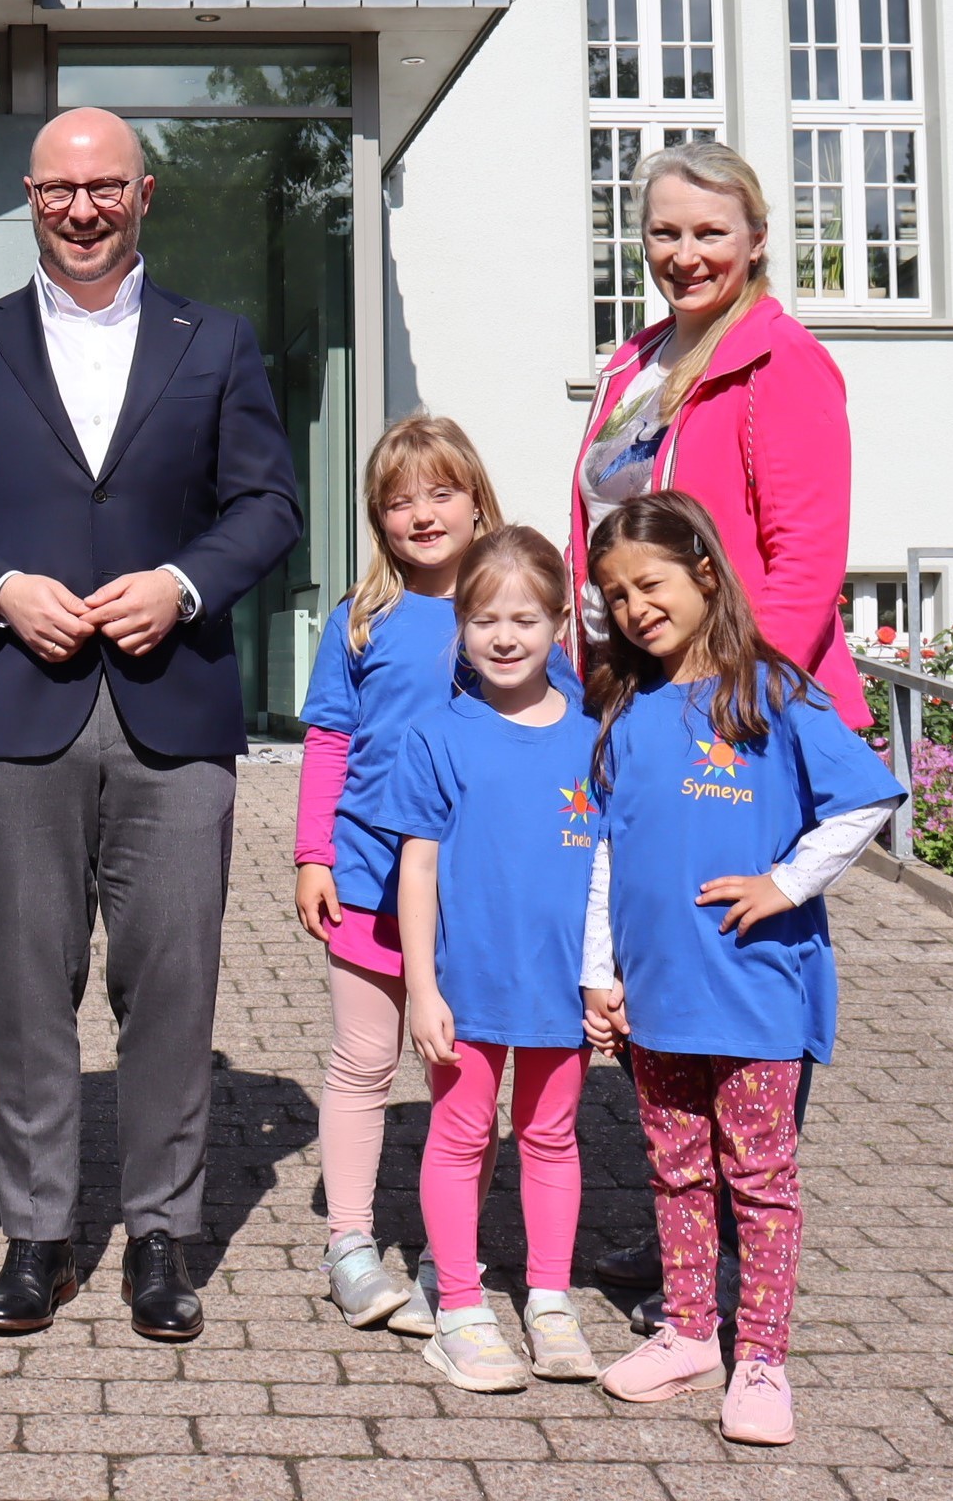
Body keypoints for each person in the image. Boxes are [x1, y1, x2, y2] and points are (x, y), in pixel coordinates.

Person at [0, 107, 300, 1344]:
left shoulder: (214, 343)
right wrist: (1, 589)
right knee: (24, 989)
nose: (83, 208)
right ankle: (36, 1236)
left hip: (174, 708)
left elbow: (268, 504)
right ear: (29, 193)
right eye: (62, 188)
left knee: (170, 989)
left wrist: (179, 585)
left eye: (105, 187)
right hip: (21, 707)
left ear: (144, 193)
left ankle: (162, 1235)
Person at [578, 492, 903, 1448]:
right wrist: (601, 974)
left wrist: (783, 884)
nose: (635, 608)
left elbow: (864, 801)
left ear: (705, 574)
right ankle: (688, 1335)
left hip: (755, 995)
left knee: (758, 1181)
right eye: (614, 596)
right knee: (676, 1174)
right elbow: (605, 851)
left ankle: (761, 1357)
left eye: (650, 585)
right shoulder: (626, 710)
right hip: (656, 1001)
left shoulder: (771, 690)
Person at [292, 413, 501, 1333]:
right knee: (362, 1063)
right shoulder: (360, 620)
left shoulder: (511, 614)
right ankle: (347, 1241)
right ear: (377, 520)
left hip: (478, 892)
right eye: (397, 500)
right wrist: (311, 852)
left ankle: (443, 1252)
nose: (420, 513)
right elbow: (329, 744)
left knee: (461, 1077)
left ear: (476, 501)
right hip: (370, 878)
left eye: (440, 492)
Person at [382, 526, 602, 1395]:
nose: (503, 636)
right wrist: (421, 987)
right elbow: (419, 868)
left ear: (557, 624)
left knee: (551, 1137)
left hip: (560, 988)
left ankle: (549, 1300)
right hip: (465, 986)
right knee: (462, 1134)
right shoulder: (438, 736)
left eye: (523, 618)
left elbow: (610, 876)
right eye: (483, 619)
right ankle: (460, 1307)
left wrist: (605, 976)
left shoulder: (594, 739)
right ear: (460, 628)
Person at [568, 142, 862, 727]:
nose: (685, 257)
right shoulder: (634, 363)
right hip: (627, 687)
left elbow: (806, 561)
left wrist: (743, 697)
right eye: (665, 233)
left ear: (756, 241)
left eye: (709, 234)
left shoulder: (779, 360)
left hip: (725, 705)